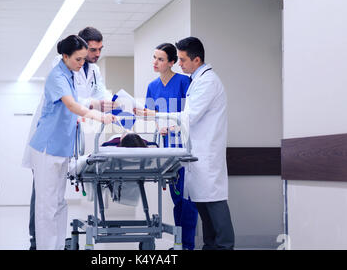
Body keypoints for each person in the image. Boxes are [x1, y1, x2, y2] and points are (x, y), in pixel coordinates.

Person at [135, 37, 235, 250]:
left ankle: (223, 246)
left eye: (182, 59)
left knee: (213, 205)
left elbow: (188, 117)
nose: (180, 64)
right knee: (203, 206)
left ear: (196, 59)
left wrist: (157, 115)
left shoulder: (206, 82)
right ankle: (209, 246)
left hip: (205, 152)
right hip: (193, 151)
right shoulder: (197, 80)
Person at [22, 27, 113, 250]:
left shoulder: (79, 71)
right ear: (66, 56)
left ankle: (56, 245)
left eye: (86, 57)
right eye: (80, 57)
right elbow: (73, 103)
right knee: (47, 204)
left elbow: (98, 95)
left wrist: (120, 104)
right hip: (47, 145)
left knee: (58, 203)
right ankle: (42, 245)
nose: (84, 62)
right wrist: (98, 114)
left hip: (62, 146)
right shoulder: (58, 73)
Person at [144, 43, 198, 250]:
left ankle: (187, 245)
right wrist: (160, 126)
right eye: (154, 58)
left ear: (172, 62)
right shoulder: (152, 86)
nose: (155, 63)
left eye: (160, 59)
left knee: (188, 199)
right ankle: (179, 242)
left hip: (185, 147)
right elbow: (152, 115)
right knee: (177, 198)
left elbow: (191, 114)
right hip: (167, 149)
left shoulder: (184, 82)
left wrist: (175, 126)